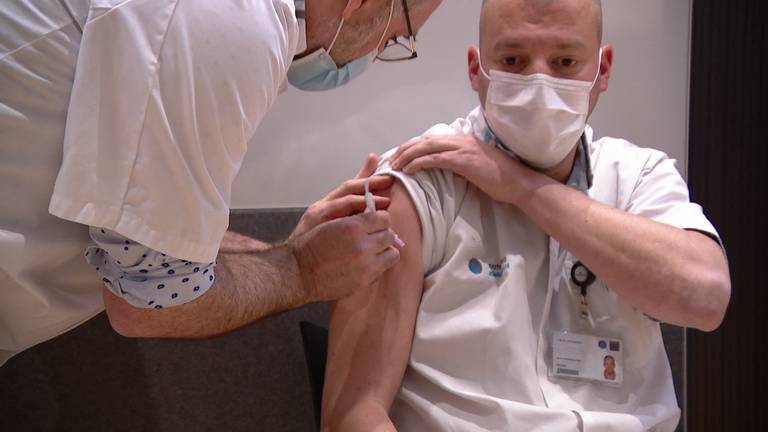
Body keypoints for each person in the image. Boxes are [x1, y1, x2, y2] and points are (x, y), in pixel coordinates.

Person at [321, 0, 731, 431]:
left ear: (602, 69)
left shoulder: (637, 177)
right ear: (477, 70)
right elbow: (353, 415)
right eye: (513, 60)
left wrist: (522, 188)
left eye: (565, 61)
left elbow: (705, 297)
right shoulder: (420, 181)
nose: (539, 81)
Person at [0, 0, 442, 366]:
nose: (376, 53)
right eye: (396, 38)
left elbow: (142, 231)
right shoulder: (235, 25)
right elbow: (150, 302)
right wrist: (303, 270)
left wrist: (288, 251)